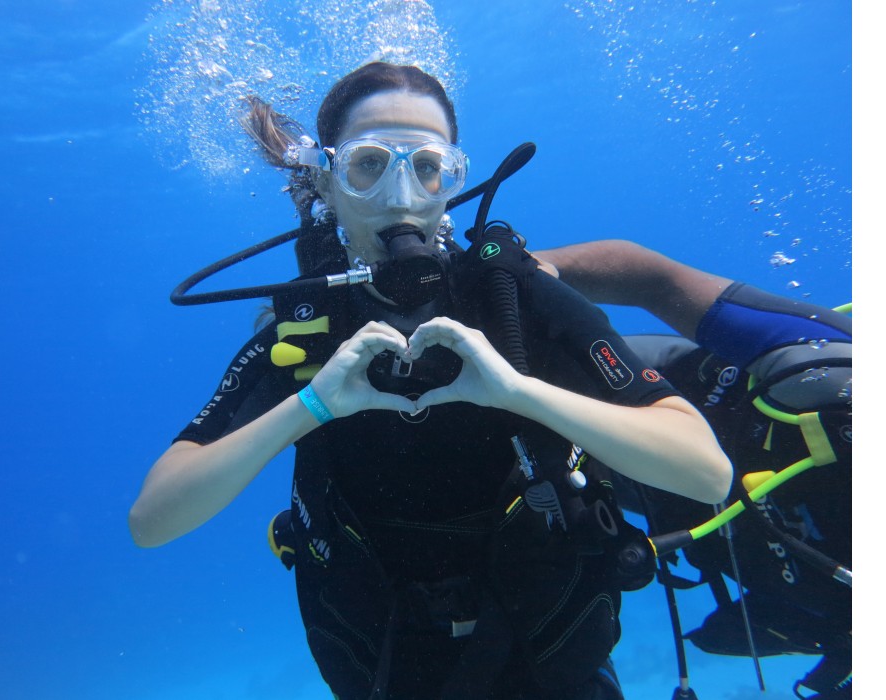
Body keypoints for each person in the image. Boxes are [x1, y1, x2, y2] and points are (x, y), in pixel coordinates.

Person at [128, 63, 732, 700]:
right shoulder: (304, 337)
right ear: (327, 182)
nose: (400, 197)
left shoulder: (515, 299)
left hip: (552, 658)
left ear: (452, 178)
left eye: (426, 166)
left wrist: (518, 391)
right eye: (368, 164)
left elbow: (705, 471)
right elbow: (153, 519)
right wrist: (311, 403)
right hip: (386, 666)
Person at [535, 239, 852, 698]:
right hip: (663, 394)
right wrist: (516, 278)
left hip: (661, 499)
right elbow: (652, 280)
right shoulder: (830, 369)